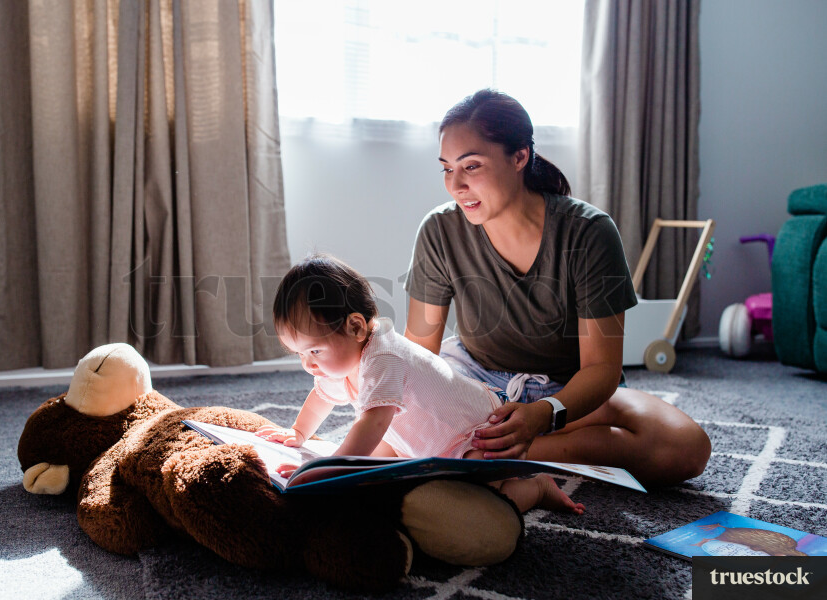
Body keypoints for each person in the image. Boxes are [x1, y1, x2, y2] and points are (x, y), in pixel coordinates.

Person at [403, 89, 711, 487]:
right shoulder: (439, 229)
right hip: (477, 380)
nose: (455, 185)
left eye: (471, 166)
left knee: (685, 447)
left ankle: (501, 454)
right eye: (447, 169)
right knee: (391, 439)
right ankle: (501, 450)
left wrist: (543, 414)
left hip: (568, 392)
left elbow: (601, 369)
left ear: (519, 157)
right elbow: (419, 351)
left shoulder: (590, 232)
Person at [255, 254, 585, 515]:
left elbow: (373, 423)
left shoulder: (383, 357)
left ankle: (536, 487)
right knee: (372, 473)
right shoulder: (344, 360)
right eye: (300, 354)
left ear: (356, 327)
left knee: (478, 499)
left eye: (314, 351)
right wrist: (299, 431)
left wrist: (326, 468)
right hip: (419, 439)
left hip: (474, 436)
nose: (308, 364)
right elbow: (321, 396)